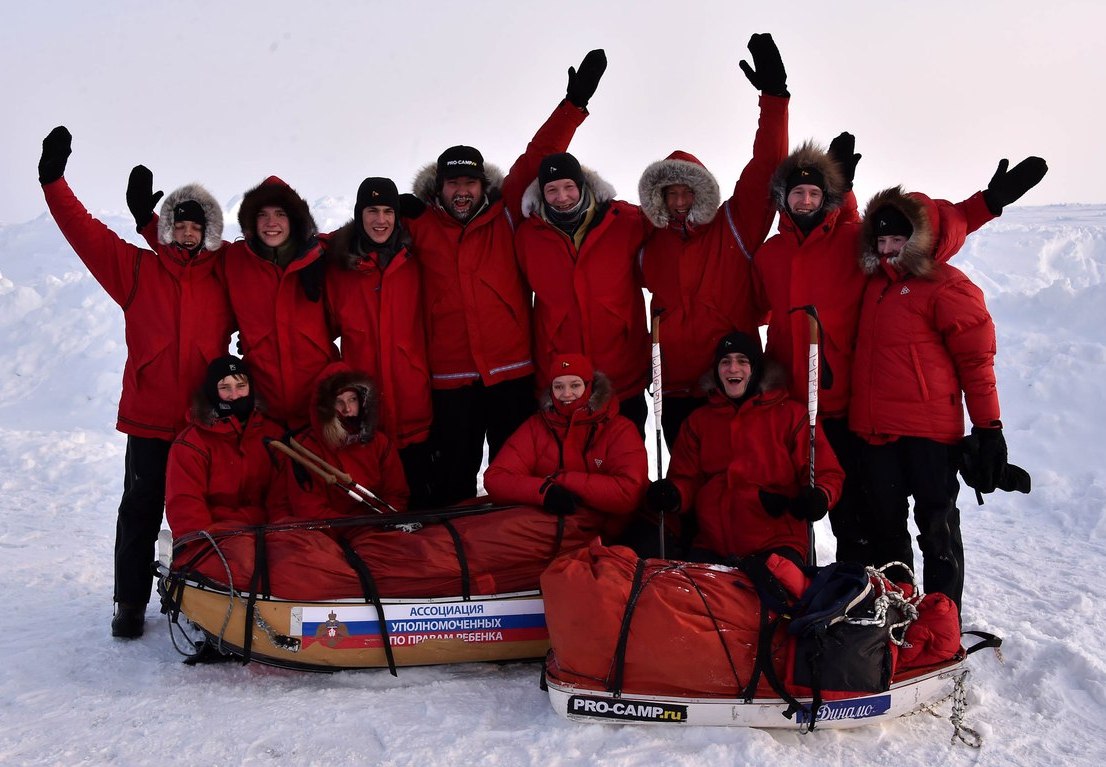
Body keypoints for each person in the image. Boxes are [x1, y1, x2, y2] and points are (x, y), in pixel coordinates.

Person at [752, 135, 1044, 564]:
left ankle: (878, 605)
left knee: (858, 518)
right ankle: (802, 593)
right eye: (798, 192)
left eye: (816, 191)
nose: (806, 200)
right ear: (783, 197)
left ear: (828, 195)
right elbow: (754, 311)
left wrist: (987, 203)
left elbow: (929, 226)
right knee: (789, 506)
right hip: (792, 404)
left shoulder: (856, 239)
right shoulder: (769, 255)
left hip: (846, 406)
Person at [38, 126, 234, 638]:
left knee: (199, 517)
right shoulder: (137, 271)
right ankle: (129, 603)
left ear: (209, 232)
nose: (188, 233)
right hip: (149, 420)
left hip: (202, 423)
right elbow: (86, 234)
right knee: (139, 515)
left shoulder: (224, 276)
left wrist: (148, 220)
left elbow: (268, 256)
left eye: (198, 226)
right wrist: (53, 181)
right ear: (168, 230)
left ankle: (203, 603)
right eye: (178, 224)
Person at [406, 50, 606, 506]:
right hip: (450, 378)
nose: (462, 193)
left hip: (512, 373)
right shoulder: (418, 226)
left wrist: (574, 103)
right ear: (440, 188)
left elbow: (539, 154)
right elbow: (363, 231)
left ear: (483, 185)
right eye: (453, 185)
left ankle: (515, 553)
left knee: (517, 475)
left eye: (469, 184)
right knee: (454, 479)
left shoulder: (507, 213)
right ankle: (454, 561)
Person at [850, 183, 1040, 610]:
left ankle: (941, 618)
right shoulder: (874, 286)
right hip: (876, 431)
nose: (888, 250)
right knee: (886, 530)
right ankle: (894, 613)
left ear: (920, 239)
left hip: (930, 433)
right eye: (880, 241)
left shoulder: (949, 286)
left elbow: (978, 365)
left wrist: (989, 429)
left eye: (897, 239)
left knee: (936, 529)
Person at [637, 33, 789, 445]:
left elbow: (766, 166)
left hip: (729, 381)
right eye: (672, 193)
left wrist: (774, 99)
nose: (681, 201)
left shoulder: (734, 226)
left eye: (688, 192)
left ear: (702, 192)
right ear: (660, 197)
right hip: (673, 387)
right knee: (686, 488)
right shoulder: (649, 241)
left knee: (733, 481)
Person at [647, 333, 844, 564]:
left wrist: (820, 496)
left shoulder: (791, 415)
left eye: (742, 361)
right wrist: (673, 494)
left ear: (756, 368)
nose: (733, 368)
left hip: (777, 542)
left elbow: (826, 472)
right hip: (712, 544)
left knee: (773, 597)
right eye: (725, 361)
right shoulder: (699, 421)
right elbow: (686, 478)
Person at [515, 152, 653, 433]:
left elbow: (670, 236)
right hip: (563, 377)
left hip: (622, 370)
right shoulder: (527, 236)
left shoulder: (625, 221)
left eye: (568, 187)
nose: (561, 197)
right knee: (571, 469)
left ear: (582, 185)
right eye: (551, 190)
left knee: (626, 461)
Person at [321, 177, 434, 506]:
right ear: (359, 215)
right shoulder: (340, 270)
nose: (380, 220)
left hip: (417, 407)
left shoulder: (417, 260)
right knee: (372, 510)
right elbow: (319, 329)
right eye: (372, 211)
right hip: (366, 412)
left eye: (388, 211)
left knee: (425, 508)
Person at [483, 354, 648, 542]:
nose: (567, 394)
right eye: (559, 386)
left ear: (589, 386)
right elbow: (495, 478)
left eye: (575, 385)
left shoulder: (619, 429)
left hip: (613, 537)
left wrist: (564, 481)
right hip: (552, 534)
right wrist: (544, 492)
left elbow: (628, 493)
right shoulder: (536, 427)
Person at [220, 176, 339, 428]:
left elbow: (365, 235)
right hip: (265, 411)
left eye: (280, 214)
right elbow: (189, 250)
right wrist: (148, 223)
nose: (271, 223)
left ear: (295, 221)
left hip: (318, 407)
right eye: (262, 215)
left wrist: (406, 213)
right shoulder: (234, 260)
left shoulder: (321, 256)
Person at [164, 356, 288, 591]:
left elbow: (282, 496)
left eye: (241, 386)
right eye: (225, 388)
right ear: (213, 391)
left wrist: (277, 533)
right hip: (214, 538)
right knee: (244, 571)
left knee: (299, 563)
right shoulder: (192, 443)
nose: (234, 395)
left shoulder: (272, 436)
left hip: (268, 532)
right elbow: (186, 509)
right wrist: (212, 541)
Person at [284, 363, 409, 520]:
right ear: (326, 407)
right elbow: (309, 509)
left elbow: (396, 495)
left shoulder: (379, 443)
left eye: (352, 399)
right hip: (329, 532)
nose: (347, 409)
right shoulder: (305, 448)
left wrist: (383, 522)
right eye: (339, 402)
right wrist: (354, 527)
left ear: (363, 400)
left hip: (376, 527)